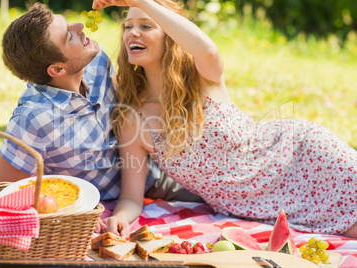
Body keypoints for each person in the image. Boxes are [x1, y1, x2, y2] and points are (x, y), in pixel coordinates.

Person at [93, 0, 357, 238]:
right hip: (258, 208)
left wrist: (140, 1)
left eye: (146, 25)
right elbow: (131, 198)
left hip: (304, 158)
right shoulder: (134, 119)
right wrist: (119, 217)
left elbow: (207, 50)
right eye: (127, 26)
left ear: (171, 36)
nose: (132, 33)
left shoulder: (202, 77)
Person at [0, 2, 203, 204]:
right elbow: (5, 191)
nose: (80, 27)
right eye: (68, 35)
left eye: (69, 24)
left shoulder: (96, 61)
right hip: (92, 205)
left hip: (150, 178)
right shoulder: (33, 119)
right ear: (57, 69)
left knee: (217, 196)